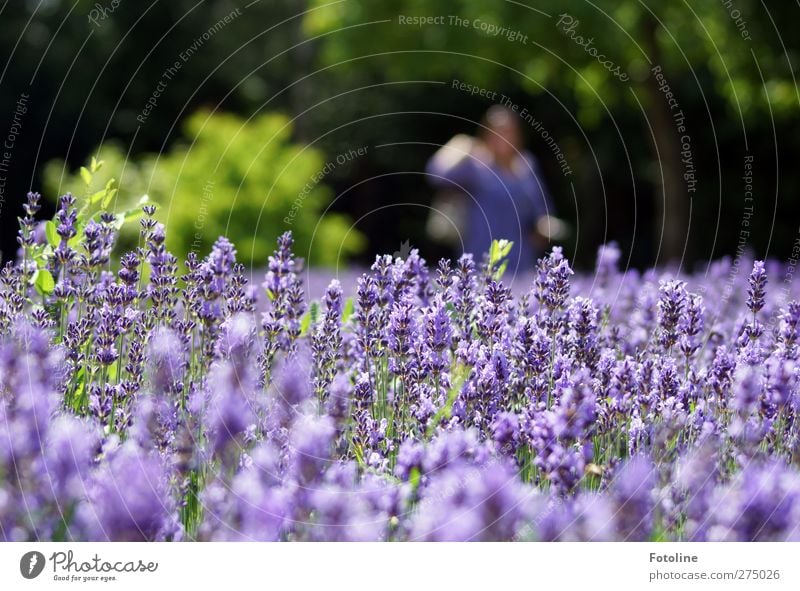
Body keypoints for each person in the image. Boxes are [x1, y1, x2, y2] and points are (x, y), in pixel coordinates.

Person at [426, 105, 561, 270]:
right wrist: (460, 147)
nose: (503, 137)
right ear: (486, 134)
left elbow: (542, 207)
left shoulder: (526, 165)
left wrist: (545, 227)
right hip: (479, 259)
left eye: (508, 131)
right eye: (497, 131)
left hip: (521, 259)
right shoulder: (475, 165)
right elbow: (436, 175)